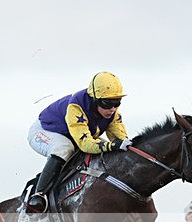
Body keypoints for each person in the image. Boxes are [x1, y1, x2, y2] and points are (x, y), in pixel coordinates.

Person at [26, 71, 133, 212]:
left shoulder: (113, 113)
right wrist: (112, 145)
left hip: (74, 135)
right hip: (45, 130)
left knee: (108, 151)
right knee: (64, 149)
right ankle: (38, 195)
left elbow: (120, 140)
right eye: (107, 103)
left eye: (116, 102)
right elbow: (86, 144)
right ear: (94, 99)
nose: (112, 109)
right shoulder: (76, 107)